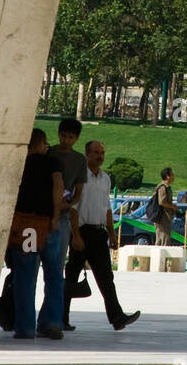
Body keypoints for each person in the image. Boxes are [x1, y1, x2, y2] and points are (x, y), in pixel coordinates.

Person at [63, 140, 140, 332]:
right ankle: (60, 317)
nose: (100, 156)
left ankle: (117, 317)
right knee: (70, 278)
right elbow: (72, 209)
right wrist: (76, 236)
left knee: (106, 277)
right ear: (87, 154)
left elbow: (107, 209)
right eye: (96, 152)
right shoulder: (79, 178)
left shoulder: (105, 179)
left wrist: (112, 235)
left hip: (99, 233)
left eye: (102, 152)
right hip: (81, 232)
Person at [7, 128, 64, 341]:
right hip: (48, 223)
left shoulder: (19, 163)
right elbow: (58, 185)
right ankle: (52, 321)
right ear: (41, 143)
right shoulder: (53, 163)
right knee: (54, 275)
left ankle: (25, 327)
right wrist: (56, 217)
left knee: (25, 275)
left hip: (26, 225)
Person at [50, 117, 87, 270]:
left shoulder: (79, 160)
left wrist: (68, 203)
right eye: (64, 136)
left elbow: (78, 192)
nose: (66, 140)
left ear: (76, 138)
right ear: (59, 134)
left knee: (58, 264)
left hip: (63, 215)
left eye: (71, 137)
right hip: (43, 212)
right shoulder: (49, 153)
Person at [154, 167, 178, 245]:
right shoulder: (163, 187)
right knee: (164, 238)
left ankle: (160, 256)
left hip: (164, 216)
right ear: (168, 176)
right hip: (162, 216)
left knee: (162, 238)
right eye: (172, 174)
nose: (173, 176)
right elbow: (162, 202)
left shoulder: (167, 187)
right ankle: (162, 257)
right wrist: (172, 206)